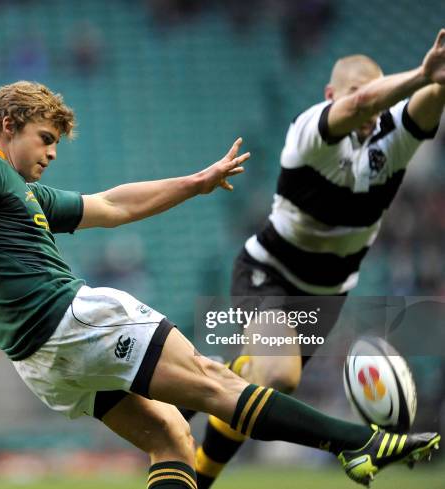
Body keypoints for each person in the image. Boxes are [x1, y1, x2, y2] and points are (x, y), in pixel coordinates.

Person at [0, 79, 440, 489]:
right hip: (70, 320)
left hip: (41, 361)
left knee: (171, 440)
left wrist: (195, 182)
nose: (51, 153)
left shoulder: (17, 192)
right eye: (45, 139)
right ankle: (355, 442)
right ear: (9, 125)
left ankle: (349, 444)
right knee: (212, 381)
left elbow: (111, 205)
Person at [191, 29, 445, 488]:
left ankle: (199, 470)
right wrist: (423, 74)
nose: (369, 104)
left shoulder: (392, 143)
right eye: (353, 91)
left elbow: (424, 105)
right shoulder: (311, 131)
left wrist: (439, 83)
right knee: (278, 373)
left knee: (263, 385)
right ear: (331, 95)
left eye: (374, 92)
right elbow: (364, 103)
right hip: (267, 272)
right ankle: (205, 397)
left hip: (328, 294)